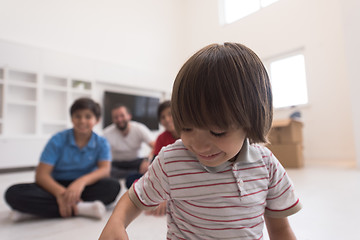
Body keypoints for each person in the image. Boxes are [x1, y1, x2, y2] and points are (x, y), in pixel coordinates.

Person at [99, 43, 302, 240]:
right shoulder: (171, 161)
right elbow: (134, 199)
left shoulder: (266, 165)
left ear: (251, 121)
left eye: (217, 132)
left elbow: (280, 230)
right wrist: (116, 222)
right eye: (186, 128)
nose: (199, 145)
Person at [5, 98, 120, 221]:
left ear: (97, 120)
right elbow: (41, 175)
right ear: (71, 119)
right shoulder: (57, 139)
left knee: (113, 186)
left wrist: (80, 182)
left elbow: (104, 170)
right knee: (13, 193)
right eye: (77, 116)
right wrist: (61, 194)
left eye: (88, 117)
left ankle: (32, 212)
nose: (82, 121)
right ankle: (81, 208)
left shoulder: (101, 142)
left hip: (83, 187)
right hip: (55, 185)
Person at [103, 104, 154, 179]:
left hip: (136, 162)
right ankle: (133, 174)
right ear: (113, 120)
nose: (119, 119)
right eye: (116, 117)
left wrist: (147, 159)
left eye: (122, 116)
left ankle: (131, 175)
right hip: (116, 164)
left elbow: (156, 146)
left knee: (152, 163)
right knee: (105, 169)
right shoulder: (106, 133)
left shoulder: (139, 128)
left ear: (129, 116)